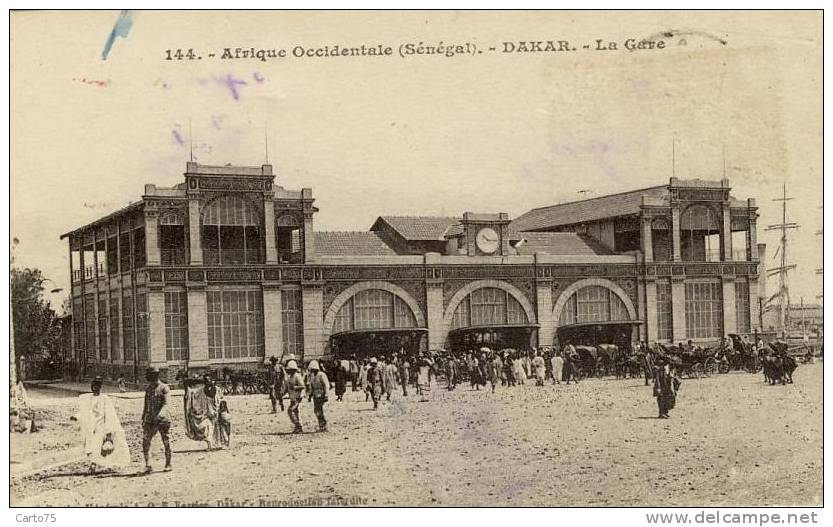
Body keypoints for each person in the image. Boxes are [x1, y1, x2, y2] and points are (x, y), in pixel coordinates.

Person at [76, 377, 131, 474]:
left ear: (100, 387)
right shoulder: (88, 398)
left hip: (101, 426)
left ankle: (93, 465)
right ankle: (96, 464)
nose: (94, 388)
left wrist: (108, 432)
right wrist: (77, 417)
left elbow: (110, 415)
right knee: (91, 446)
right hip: (90, 426)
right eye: (93, 385)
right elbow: (84, 411)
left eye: (96, 386)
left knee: (98, 446)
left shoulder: (105, 399)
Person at [141, 367, 172, 473]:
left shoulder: (164, 388)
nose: (148, 377)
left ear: (155, 375)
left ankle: (168, 463)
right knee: (145, 441)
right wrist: (144, 417)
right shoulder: (148, 389)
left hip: (163, 420)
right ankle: (148, 465)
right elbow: (146, 405)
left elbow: (166, 404)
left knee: (166, 441)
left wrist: (159, 416)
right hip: (150, 420)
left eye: (150, 375)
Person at [282, 360, 306, 433]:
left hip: (297, 397)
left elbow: (302, 386)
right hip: (292, 397)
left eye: (289, 370)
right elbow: (287, 388)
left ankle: (298, 425)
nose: (288, 371)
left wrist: (295, 387)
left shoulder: (297, 376)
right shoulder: (289, 377)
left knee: (290, 410)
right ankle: (298, 427)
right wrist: (282, 393)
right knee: (295, 412)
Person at [307, 360, 330, 432]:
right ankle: (321, 424)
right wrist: (310, 396)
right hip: (315, 395)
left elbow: (326, 385)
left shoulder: (321, 375)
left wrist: (326, 395)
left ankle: (324, 425)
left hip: (321, 394)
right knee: (316, 410)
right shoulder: (312, 376)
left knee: (319, 410)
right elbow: (312, 387)